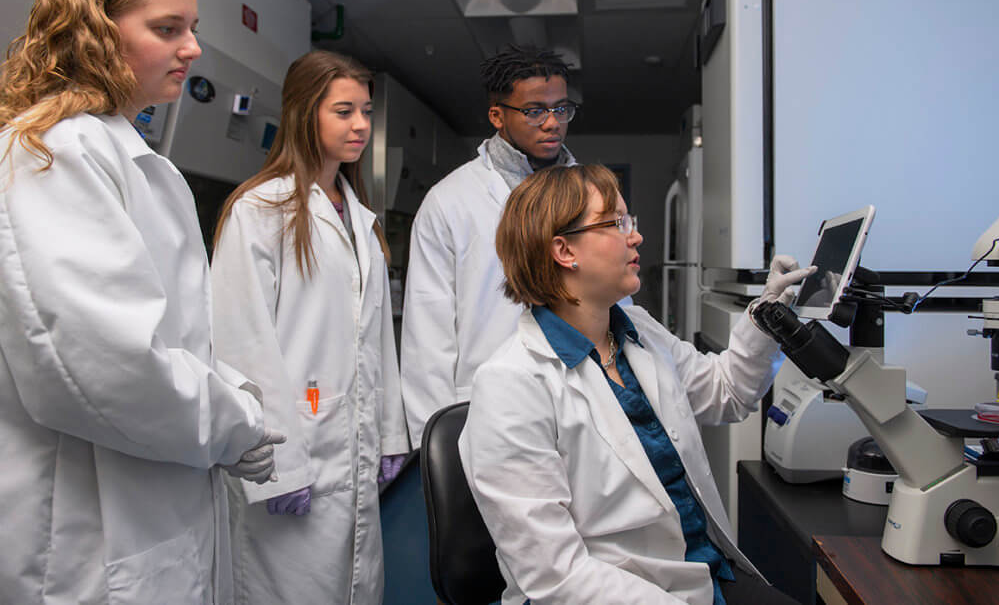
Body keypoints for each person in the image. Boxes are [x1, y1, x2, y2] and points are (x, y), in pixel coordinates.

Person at [0, 0, 282, 604]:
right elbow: (100, 365)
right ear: (94, 30)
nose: (193, 48)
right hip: (89, 535)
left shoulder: (128, 155)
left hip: (156, 508)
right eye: (167, 28)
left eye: (192, 28)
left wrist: (234, 394)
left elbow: (172, 337)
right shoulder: (52, 152)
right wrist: (234, 422)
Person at [459, 165, 812, 604]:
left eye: (632, 222)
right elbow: (557, 577)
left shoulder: (638, 331)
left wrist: (767, 311)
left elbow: (728, 393)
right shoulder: (511, 384)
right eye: (616, 223)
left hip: (702, 575)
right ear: (564, 250)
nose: (636, 236)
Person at [210, 50, 409, 604]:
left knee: (355, 584)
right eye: (344, 111)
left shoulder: (359, 219)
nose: (362, 125)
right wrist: (280, 466)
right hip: (290, 450)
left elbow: (376, 340)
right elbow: (241, 343)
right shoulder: (259, 210)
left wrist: (391, 433)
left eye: (366, 111)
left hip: (354, 448)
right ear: (304, 114)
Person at [402, 43, 581, 444]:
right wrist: (434, 446)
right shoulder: (449, 201)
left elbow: (615, 301)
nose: (552, 123)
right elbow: (427, 336)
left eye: (561, 109)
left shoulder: (590, 194)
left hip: (581, 400)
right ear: (497, 116)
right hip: (488, 410)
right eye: (534, 111)